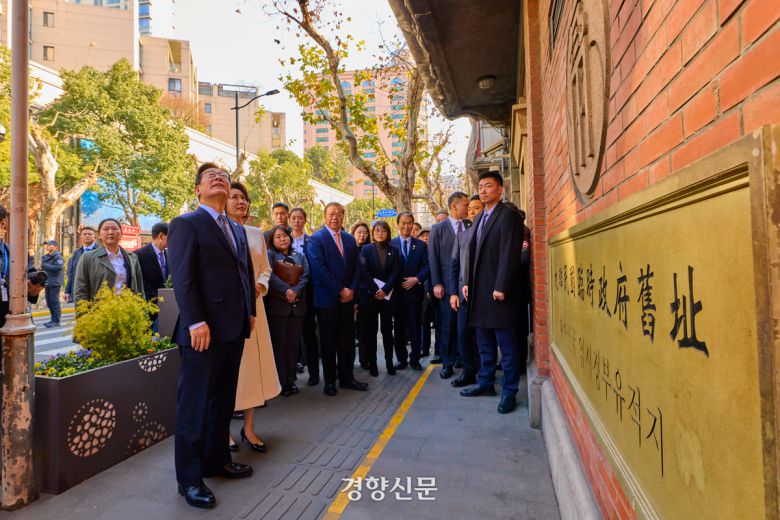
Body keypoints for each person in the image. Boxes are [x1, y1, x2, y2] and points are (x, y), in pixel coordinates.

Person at [168, 163, 257, 509]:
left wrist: (250, 311)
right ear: (197, 190)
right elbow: (183, 277)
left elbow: (244, 272)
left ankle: (217, 460)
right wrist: (195, 322)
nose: (219, 178)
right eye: (211, 176)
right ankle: (189, 479)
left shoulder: (235, 227)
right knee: (194, 406)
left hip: (234, 326)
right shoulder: (186, 224)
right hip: (202, 331)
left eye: (224, 176)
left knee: (222, 401)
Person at [460, 172, 526, 415]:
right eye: (481, 186)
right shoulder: (480, 217)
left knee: (506, 346)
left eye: (489, 186)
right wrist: (467, 282)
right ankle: (485, 382)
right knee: (484, 343)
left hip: (498, 293)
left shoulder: (507, 215)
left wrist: (502, 286)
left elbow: (510, 253)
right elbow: (472, 252)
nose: (483, 190)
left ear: (500, 189)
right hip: (478, 292)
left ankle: (509, 391)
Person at [225, 181, 280, 453]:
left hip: (256, 309)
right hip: (228, 312)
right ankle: (223, 430)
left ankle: (248, 428)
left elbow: (266, 268)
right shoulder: (217, 232)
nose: (240, 202)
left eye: (243, 198)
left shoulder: (256, 233)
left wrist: (261, 283)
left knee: (253, 373)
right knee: (230, 373)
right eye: (234, 197)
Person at [306, 202, 367, 396]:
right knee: (328, 342)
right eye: (331, 214)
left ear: (344, 216)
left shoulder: (349, 239)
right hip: (327, 300)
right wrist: (340, 290)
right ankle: (330, 381)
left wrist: (351, 290)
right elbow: (319, 269)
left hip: (348, 300)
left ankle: (347, 378)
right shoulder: (316, 239)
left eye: (339, 214)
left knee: (347, 340)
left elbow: (357, 267)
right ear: (324, 215)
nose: (335, 217)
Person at [428, 192, 469, 379]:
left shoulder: (469, 225)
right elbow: (433, 257)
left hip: (466, 285)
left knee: (464, 327)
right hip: (446, 286)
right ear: (454, 206)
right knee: (447, 326)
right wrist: (436, 283)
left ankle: (463, 359)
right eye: (465, 205)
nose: (468, 208)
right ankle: (447, 363)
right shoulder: (438, 228)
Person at [266, 225, 310, 396]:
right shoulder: (270, 255)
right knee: (280, 346)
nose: (282, 239)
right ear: (272, 240)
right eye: (278, 237)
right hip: (278, 308)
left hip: (297, 307)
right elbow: (270, 275)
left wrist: (296, 291)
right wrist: (287, 290)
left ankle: (291, 381)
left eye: (284, 236)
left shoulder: (300, 256)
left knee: (293, 345)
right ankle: (281, 382)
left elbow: (306, 275)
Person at [449, 195, 484, 388]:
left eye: (476, 208)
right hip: (463, 297)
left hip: (483, 296)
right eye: (469, 209)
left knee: (482, 337)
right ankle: (468, 372)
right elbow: (454, 266)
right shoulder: (461, 236)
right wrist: (454, 293)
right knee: (463, 334)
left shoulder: (489, 234)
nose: (472, 212)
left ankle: (484, 373)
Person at [358, 221, 401, 377]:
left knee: (387, 331)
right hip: (370, 296)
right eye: (377, 230)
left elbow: (396, 272)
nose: (380, 233)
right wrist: (377, 289)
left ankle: (389, 363)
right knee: (371, 331)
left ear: (388, 233)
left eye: (383, 230)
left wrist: (385, 289)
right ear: (373, 232)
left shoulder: (394, 250)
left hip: (388, 297)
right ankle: (373, 364)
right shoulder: (366, 249)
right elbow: (364, 271)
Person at [73, 219, 145, 306]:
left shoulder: (132, 258)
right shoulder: (88, 257)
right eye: (106, 229)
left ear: (121, 233)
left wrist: (142, 309)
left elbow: (139, 288)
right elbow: (80, 289)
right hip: (100, 310)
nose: (110, 232)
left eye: (114, 228)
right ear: (99, 235)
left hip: (128, 309)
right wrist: (82, 312)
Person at [390, 212, 429, 371]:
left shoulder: (420, 245)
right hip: (396, 294)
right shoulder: (391, 244)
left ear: (413, 224)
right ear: (398, 224)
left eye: (409, 223)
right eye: (403, 223)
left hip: (414, 293)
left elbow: (427, 266)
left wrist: (417, 279)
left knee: (414, 327)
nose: (406, 226)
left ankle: (415, 359)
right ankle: (401, 359)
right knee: (399, 328)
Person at [291, 207, 320, 386]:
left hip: (308, 292)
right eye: (294, 218)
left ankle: (314, 374)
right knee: (292, 336)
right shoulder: (282, 239)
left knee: (309, 334)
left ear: (305, 220)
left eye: (300, 218)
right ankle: (290, 376)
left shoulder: (312, 241)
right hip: (287, 294)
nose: (297, 221)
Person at [350, 221, 371, 369]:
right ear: (353, 233)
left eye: (365, 233)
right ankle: (348, 362)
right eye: (359, 232)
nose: (362, 235)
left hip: (365, 295)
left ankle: (365, 360)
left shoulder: (370, 250)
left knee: (364, 331)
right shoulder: (348, 249)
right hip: (350, 295)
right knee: (348, 332)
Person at [134, 222, 169, 304]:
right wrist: (157, 301)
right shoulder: (138, 255)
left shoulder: (169, 254)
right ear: (161, 236)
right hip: (149, 304)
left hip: (168, 302)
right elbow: (141, 282)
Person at [64, 227, 97, 303]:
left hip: (95, 291)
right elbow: (71, 274)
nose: (87, 236)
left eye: (90, 234)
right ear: (81, 237)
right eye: (84, 234)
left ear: (95, 237)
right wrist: (67, 291)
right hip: (79, 291)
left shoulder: (101, 251)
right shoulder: (76, 253)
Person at [417, 229, 435, 358]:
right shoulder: (418, 252)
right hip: (421, 290)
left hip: (435, 289)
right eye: (422, 236)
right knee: (423, 321)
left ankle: (437, 349)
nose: (425, 238)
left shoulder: (435, 250)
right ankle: (424, 348)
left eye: (428, 236)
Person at [41, 240, 64, 328]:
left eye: (50, 245)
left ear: (55, 247)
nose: (48, 246)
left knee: (54, 302)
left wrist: (45, 266)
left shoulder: (58, 257)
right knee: (49, 302)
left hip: (55, 282)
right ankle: (52, 319)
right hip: (47, 282)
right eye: (47, 245)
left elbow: (58, 267)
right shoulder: (46, 257)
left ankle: (56, 320)